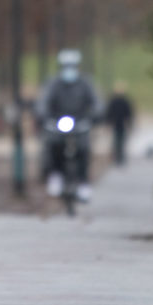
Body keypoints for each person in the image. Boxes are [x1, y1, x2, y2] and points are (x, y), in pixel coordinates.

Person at [33, 49, 102, 202]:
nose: (69, 69)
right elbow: (43, 102)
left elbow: (97, 103)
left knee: (84, 149)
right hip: (57, 123)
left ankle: (83, 182)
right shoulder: (53, 83)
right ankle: (56, 174)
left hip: (80, 123)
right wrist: (43, 115)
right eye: (66, 65)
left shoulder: (86, 83)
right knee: (53, 145)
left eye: (73, 65)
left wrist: (94, 116)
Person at [105, 81, 135, 165]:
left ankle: (120, 157)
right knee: (117, 141)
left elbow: (128, 113)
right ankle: (117, 157)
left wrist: (129, 124)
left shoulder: (123, 101)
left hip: (121, 124)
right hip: (116, 124)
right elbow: (109, 113)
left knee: (120, 141)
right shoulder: (115, 101)